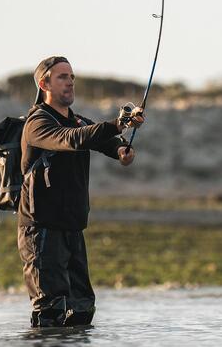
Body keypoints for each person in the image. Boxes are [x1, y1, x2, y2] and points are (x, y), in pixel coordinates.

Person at [17, 55, 144, 327]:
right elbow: (73, 140)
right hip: (41, 230)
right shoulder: (37, 124)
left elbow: (101, 139)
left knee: (82, 310)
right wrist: (118, 123)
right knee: (50, 312)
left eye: (72, 77)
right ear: (44, 84)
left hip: (72, 226)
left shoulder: (77, 121)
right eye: (63, 77)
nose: (70, 82)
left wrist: (121, 149)